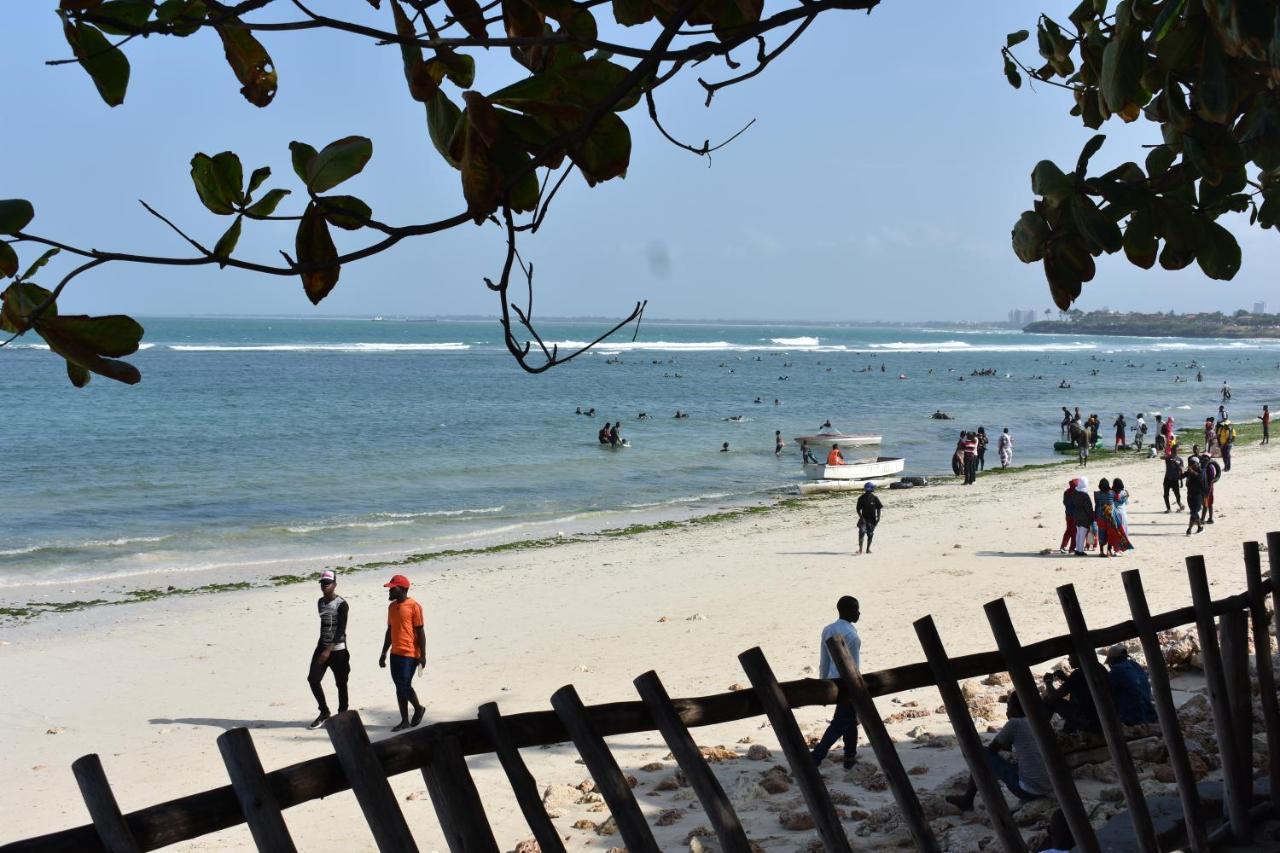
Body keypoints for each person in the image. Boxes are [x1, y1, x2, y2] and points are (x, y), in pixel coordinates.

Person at [945, 692, 1050, 811]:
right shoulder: (1040, 721)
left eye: (1009, 705)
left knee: (980, 753)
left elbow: (992, 749)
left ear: (1015, 708)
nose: (1007, 709)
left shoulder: (1015, 723)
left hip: (1029, 789)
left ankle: (968, 799)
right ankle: (969, 798)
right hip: (1051, 785)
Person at [811, 596, 861, 769]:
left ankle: (850, 757)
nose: (859, 613)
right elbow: (854, 665)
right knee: (841, 722)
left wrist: (822, 684)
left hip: (832, 680)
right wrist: (858, 687)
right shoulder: (852, 635)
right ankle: (816, 757)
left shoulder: (828, 629)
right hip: (847, 683)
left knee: (849, 718)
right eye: (856, 609)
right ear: (847, 611)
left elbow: (823, 660)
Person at [379, 574, 426, 732]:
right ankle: (404, 720)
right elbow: (389, 630)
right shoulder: (391, 607)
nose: (390, 592)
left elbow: (420, 632)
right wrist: (384, 652)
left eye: (393, 589)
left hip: (410, 653)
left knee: (404, 685)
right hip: (395, 653)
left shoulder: (414, 606)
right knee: (399, 687)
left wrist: (423, 655)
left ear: (403, 589)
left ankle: (418, 708)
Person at [307, 569, 350, 729]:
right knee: (313, 679)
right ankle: (324, 712)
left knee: (341, 683)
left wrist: (328, 650)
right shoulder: (320, 602)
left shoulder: (342, 604)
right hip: (322, 646)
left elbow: (341, 630)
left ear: (335, 585)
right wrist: (322, 648)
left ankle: (343, 714)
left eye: (328, 583)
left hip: (338, 650)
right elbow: (324, 626)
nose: (324, 586)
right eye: (322, 583)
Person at [1100, 645, 1157, 726]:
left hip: (1133, 717)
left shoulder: (1116, 672)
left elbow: (1109, 694)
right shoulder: (1135, 665)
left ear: (1112, 660)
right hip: (1149, 711)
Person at [1043, 655, 1101, 734]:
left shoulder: (1078, 674)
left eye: (1071, 655)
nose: (1069, 659)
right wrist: (1066, 679)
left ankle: (1042, 731)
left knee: (1047, 700)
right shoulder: (1097, 668)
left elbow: (1053, 697)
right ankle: (1068, 730)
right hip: (1097, 715)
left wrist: (1048, 682)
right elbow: (1080, 685)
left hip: (1087, 719)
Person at [1094, 478, 1132, 556]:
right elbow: (1119, 497)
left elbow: (1096, 504)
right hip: (1110, 517)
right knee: (1110, 534)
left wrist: (1095, 515)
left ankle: (1101, 551)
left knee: (1101, 534)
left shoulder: (1097, 494)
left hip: (1100, 517)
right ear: (1108, 486)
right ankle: (1109, 551)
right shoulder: (1112, 493)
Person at [1066, 477, 1094, 556]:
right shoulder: (1085, 494)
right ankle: (1080, 551)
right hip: (1084, 516)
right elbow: (1089, 507)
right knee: (1082, 534)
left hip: (1076, 515)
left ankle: (1078, 549)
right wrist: (1091, 517)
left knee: (1078, 533)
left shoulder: (1075, 491)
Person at [855, 482, 882, 555]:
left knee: (870, 534)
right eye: (873, 487)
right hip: (863, 519)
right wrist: (861, 518)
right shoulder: (861, 498)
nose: (874, 488)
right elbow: (858, 509)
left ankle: (867, 549)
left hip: (872, 520)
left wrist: (878, 518)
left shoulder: (875, 498)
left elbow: (879, 508)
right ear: (869, 489)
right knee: (861, 532)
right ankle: (860, 550)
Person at [1184, 456, 1206, 536]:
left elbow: (1200, 478)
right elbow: (1181, 476)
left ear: (1197, 464)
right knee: (1194, 512)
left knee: (1193, 512)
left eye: (1192, 463)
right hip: (1189, 495)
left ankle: (1189, 529)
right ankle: (1200, 528)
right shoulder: (1189, 471)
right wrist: (1180, 470)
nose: (1190, 465)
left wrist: (1192, 472)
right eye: (1190, 463)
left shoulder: (1201, 471)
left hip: (1197, 496)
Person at [1059, 478, 1078, 554]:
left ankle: (1063, 546)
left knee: (1068, 530)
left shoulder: (1066, 492)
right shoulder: (1076, 492)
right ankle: (1072, 548)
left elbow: (1064, 502)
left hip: (1068, 514)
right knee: (1074, 532)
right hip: (1074, 515)